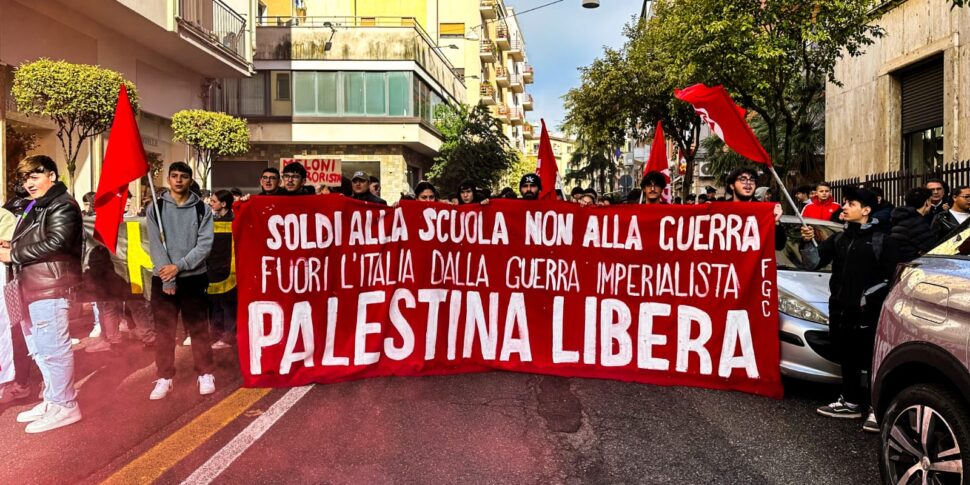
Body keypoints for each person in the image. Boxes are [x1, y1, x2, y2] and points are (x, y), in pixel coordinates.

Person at [800, 187, 901, 432]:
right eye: (845, 203)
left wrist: (870, 299)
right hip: (841, 311)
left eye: (851, 204)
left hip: (869, 315)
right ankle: (851, 401)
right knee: (847, 357)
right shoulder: (839, 239)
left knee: (872, 361)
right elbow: (813, 262)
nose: (844, 207)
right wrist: (806, 243)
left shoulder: (882, 241)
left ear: (866, 211)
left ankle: (877, 410)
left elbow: (894, 278)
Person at [0, 155, 83, 433]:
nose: (28, 183)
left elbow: (57, 242)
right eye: (25, 178)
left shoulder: (63, 204)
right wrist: (13, 242)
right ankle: (53, 400)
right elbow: (40, 238)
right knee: (40, 351)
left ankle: (66, 405)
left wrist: (12, 253)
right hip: (32, 287)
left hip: (51, 287)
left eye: (34, 176)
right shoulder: (39, 204)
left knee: (54, 351)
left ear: (52, 175)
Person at [145, 162, 215, 400]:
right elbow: (155, 245)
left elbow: (204, 245)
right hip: (163, 279)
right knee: (164, 331)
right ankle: (164, 376)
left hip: (194, 278)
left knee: (198, 329)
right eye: (174, 176)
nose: (178, 180)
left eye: (183, 177)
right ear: (168, 179)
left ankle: (205, 372)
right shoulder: (155, 207)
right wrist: (167, 278)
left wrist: (180, 266)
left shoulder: (202, 210)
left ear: (189, 179)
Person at [207, 190, 236, 350]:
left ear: (223, 204)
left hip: (228, 271)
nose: (210, 203)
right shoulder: (213, 220)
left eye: (213, 201)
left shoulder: (233, 220)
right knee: (216, 306)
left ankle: (229, 338)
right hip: (214, 269)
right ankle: (218, 335)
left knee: (227, 306)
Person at [890, 188, 937, 262]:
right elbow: (932, 249)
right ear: (927, 202)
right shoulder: (916, 223)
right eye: (931, 201)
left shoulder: (901, 217)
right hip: (914, 265)